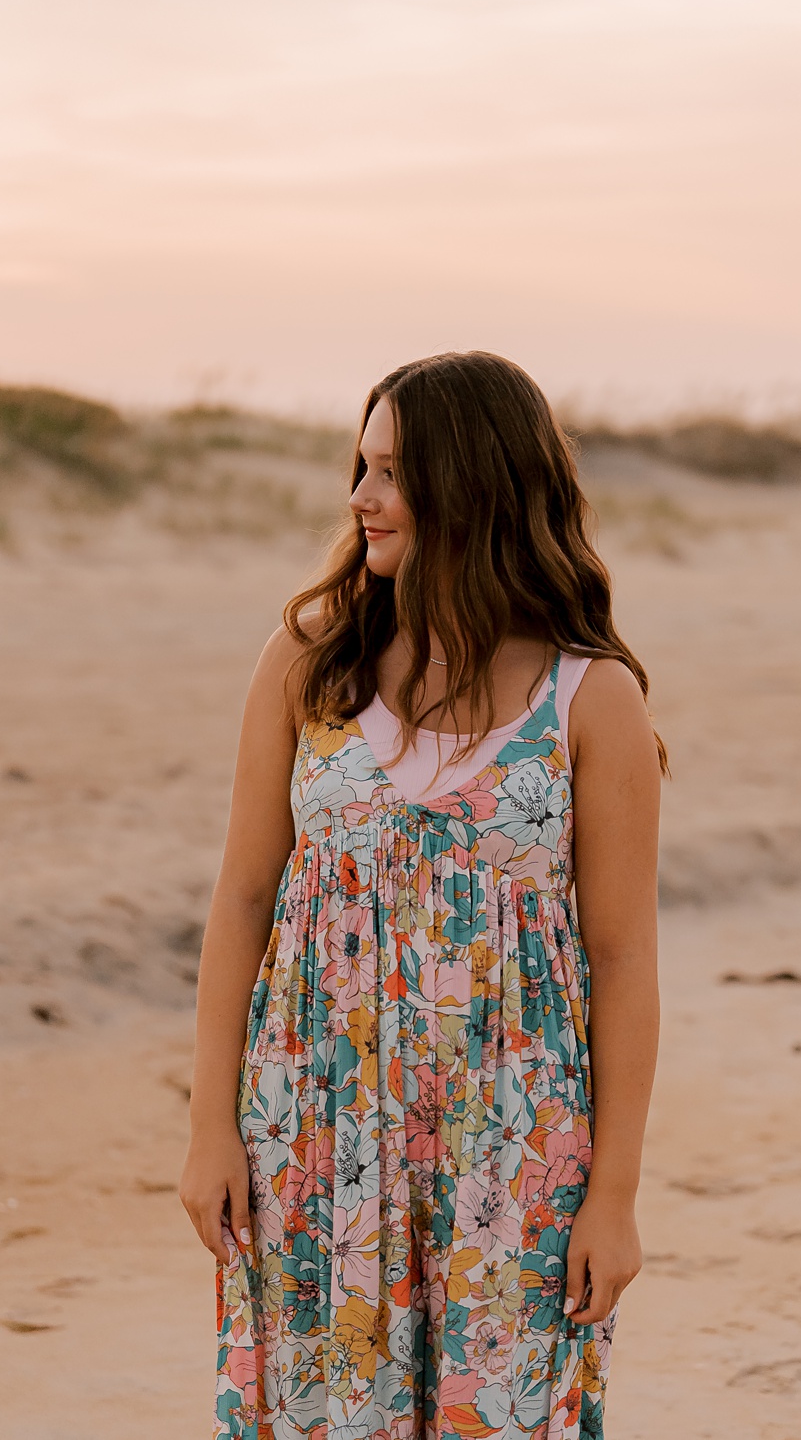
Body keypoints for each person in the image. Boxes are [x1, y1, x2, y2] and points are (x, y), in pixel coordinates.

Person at [178, 351, 664, 1437]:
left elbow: (624, 959)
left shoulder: (591, 697)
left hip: (517, 1140)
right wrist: (211, 1124)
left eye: (391, 471)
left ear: (474, 484)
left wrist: (615, 1194)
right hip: (310, 1123)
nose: (360, 498)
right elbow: (243, 895)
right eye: (361, 465)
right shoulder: (306, 663)